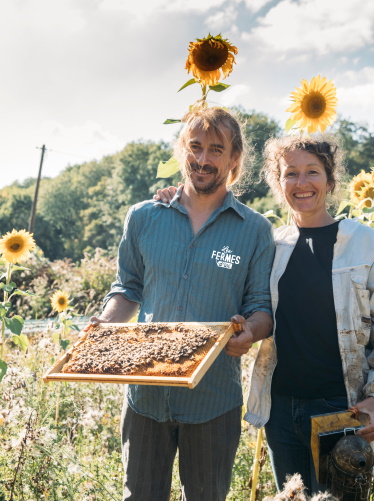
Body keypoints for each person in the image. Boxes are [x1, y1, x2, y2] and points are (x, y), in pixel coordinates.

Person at [90, 106, 275, 501]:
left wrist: (250, 333)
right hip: (145, 396)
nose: (203, 159)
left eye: (215, 149)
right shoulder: (143, 217)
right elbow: (127, 288)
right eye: (195, 147)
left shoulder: (255, 230)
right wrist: (105, 323)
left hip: (214, 399)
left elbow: (261, 307)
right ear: (182, 150)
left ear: (234, 157)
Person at [242, 134, 374, 496]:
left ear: (330, 179)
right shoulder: (272, 246)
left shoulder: (365, 243)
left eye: (313, 172)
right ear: (278, 183)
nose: (302, 182)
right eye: (291, 173)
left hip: (342, 411)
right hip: (280, 412)